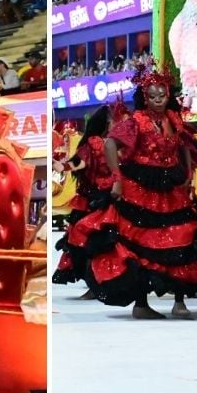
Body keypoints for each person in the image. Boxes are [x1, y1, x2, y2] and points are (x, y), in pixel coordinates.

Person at [77, 67, 197, 319]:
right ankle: (141, 303)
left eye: (162, 95)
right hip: (140, 187)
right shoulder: (136, 121)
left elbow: (184, 146)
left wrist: (188, 175)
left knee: (183, 238)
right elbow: (110, 144)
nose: (158, 100)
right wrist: (116, 179)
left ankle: (179, 301)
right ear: (145, 97)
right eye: (153, 96)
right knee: (140, 243)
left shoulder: (174, 118)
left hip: (171, 185)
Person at [52, 103, 124, 299]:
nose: (113, 125)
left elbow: (79, 163)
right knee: (98, 242)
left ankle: (97, 285)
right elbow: (81, 162)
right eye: (111, 122)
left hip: (97, 198)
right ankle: (99, 284)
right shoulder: (97, 143)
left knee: (89, 242)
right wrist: (64, 166)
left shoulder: (100, 142)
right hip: (100, 198)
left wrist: (62, 166)